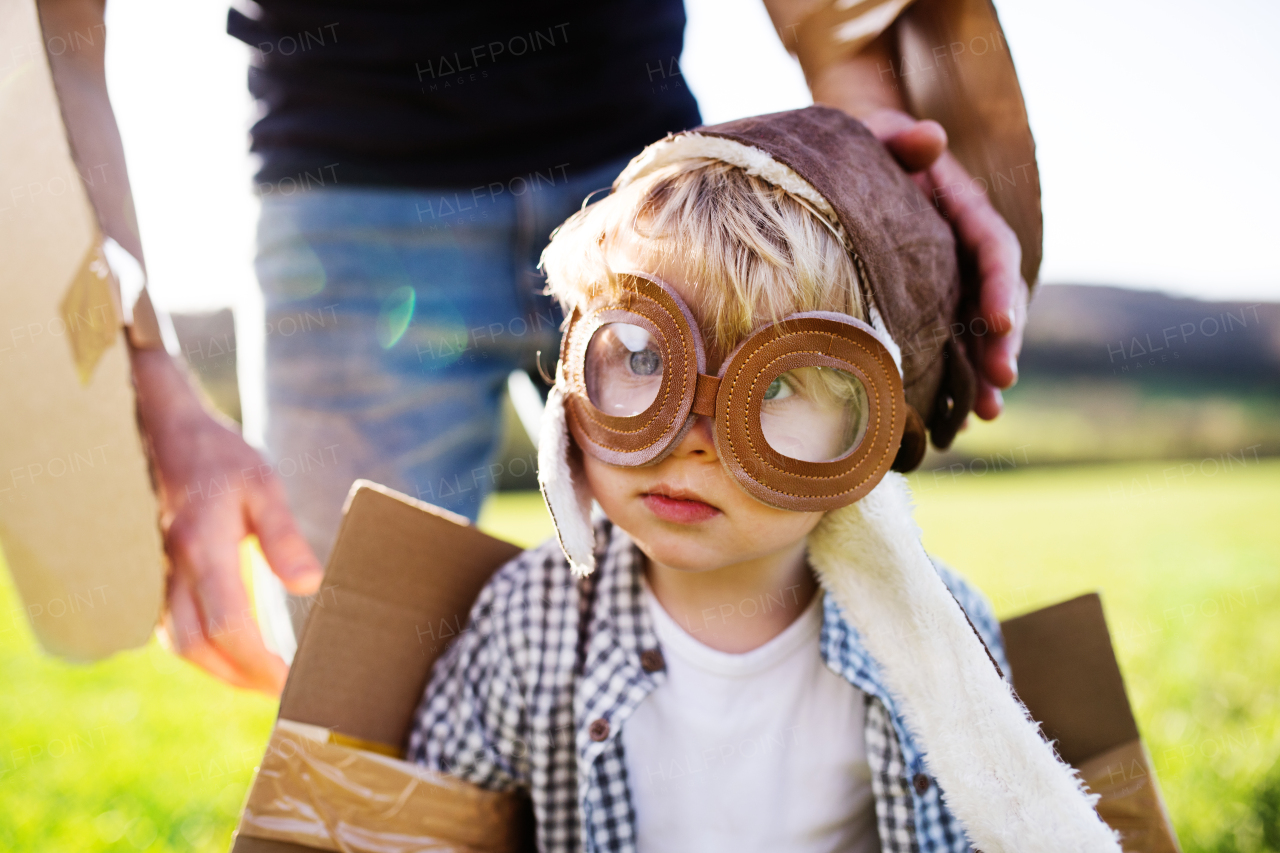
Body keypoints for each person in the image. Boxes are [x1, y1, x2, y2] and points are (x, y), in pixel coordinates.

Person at [37, 0, 1028, 695]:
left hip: (652, 192)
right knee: (363, 709)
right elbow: (51, 34)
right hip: (343, 221)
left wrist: (858, 143)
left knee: (801, 622)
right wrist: (137, 358)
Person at [408, 107, 1113, 853]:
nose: (690, 444)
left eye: (774, 387)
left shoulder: (939, 645)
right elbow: (420, 823)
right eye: (647, 357)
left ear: (870, 435)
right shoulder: (528, 623)